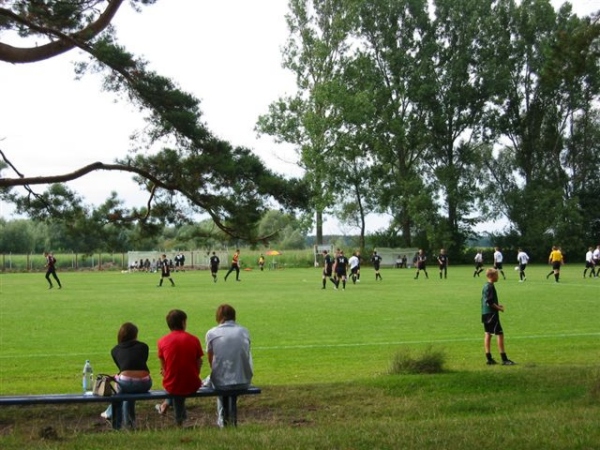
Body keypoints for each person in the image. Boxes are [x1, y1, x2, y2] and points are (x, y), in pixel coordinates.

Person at [204, 304, 253, 427]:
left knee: (219, 384)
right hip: (243, 380)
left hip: (221, 383)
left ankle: (223, 423)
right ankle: (231, 421)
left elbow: (211, 360)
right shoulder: (244, 331)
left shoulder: (212, 333)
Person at [156, 309, 203, 425]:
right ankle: (175, 415)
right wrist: (195, 374)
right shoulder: (194, 339)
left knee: (175, 385)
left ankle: (179, 420)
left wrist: (166, 372)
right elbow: (199, 361)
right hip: (193, 383)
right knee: (179, 384)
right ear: (183, 322)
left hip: (172, 384)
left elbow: (163, 366)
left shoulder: (162, 341)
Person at [100, 323, 152, 428]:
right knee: (128, 394)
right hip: (145, 383)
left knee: (121, 391)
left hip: (126, 384)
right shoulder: (144, 346)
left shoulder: (114, 350)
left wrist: (115, 377)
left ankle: (117, 423)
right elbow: (138, 364)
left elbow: (124, 368)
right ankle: (129, 424)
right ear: (135, 335)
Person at [481, 269, 515, 366]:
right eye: (497, 275)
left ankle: (489, 358)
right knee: (499, 334)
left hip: (485, 313)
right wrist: (499, 308)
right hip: (491, 314)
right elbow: (489, 302)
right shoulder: (490, 287)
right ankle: (504, 359)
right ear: (492, 276)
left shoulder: (485, 286)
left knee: (488, 334)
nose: (498, 277)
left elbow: (486, 301)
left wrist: (497, 305)